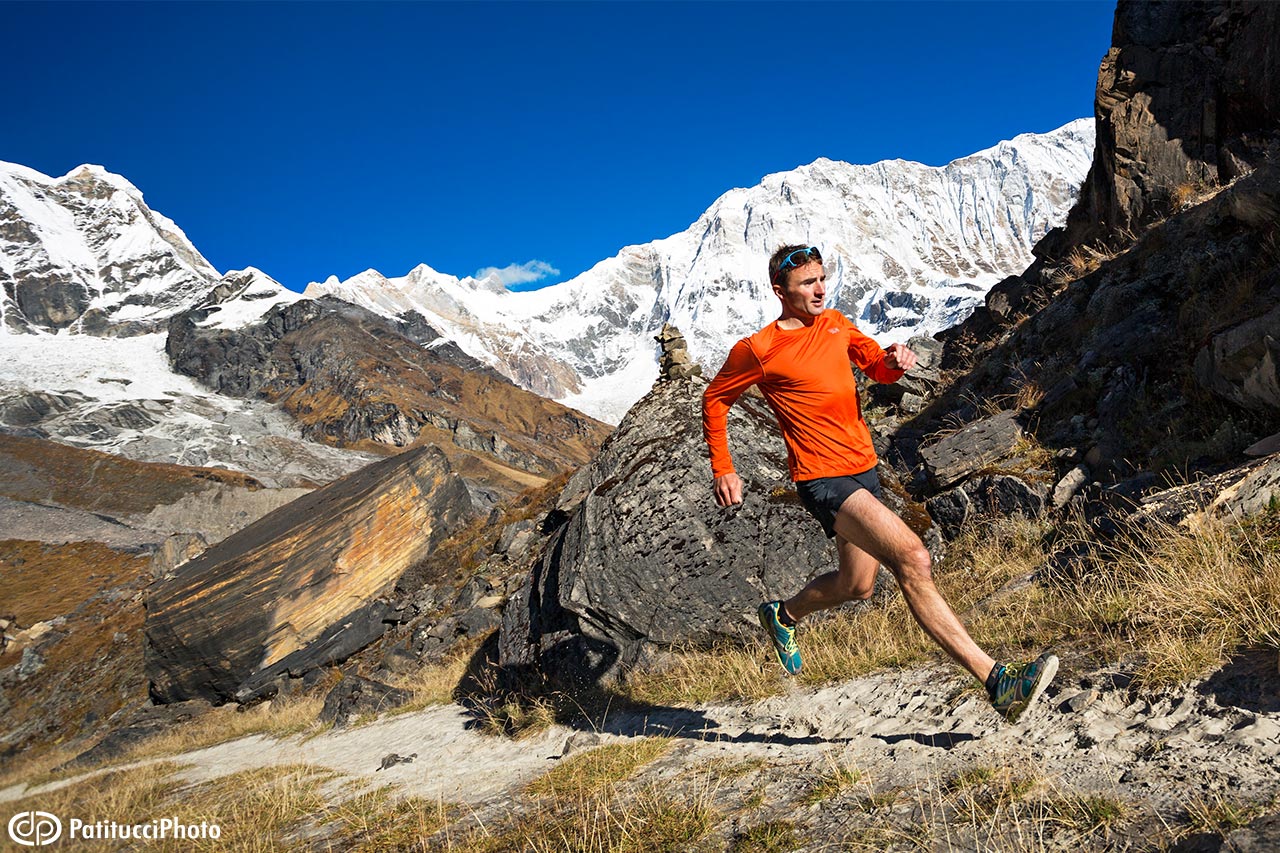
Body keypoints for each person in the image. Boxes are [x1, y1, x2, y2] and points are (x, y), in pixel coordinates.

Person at [701, 244, 1057, 722]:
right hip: (822, 478)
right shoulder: (758, 349)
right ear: (780, 291)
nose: (819, 288)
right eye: (807, 283)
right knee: (913, 556)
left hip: (863, 468)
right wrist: (723, 466)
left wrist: (896, 361)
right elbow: (715, 399)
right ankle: (998, 681)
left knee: (857, 585)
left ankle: (783, 615)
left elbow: (876, 365)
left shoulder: (836, 324)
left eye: (822, 278)